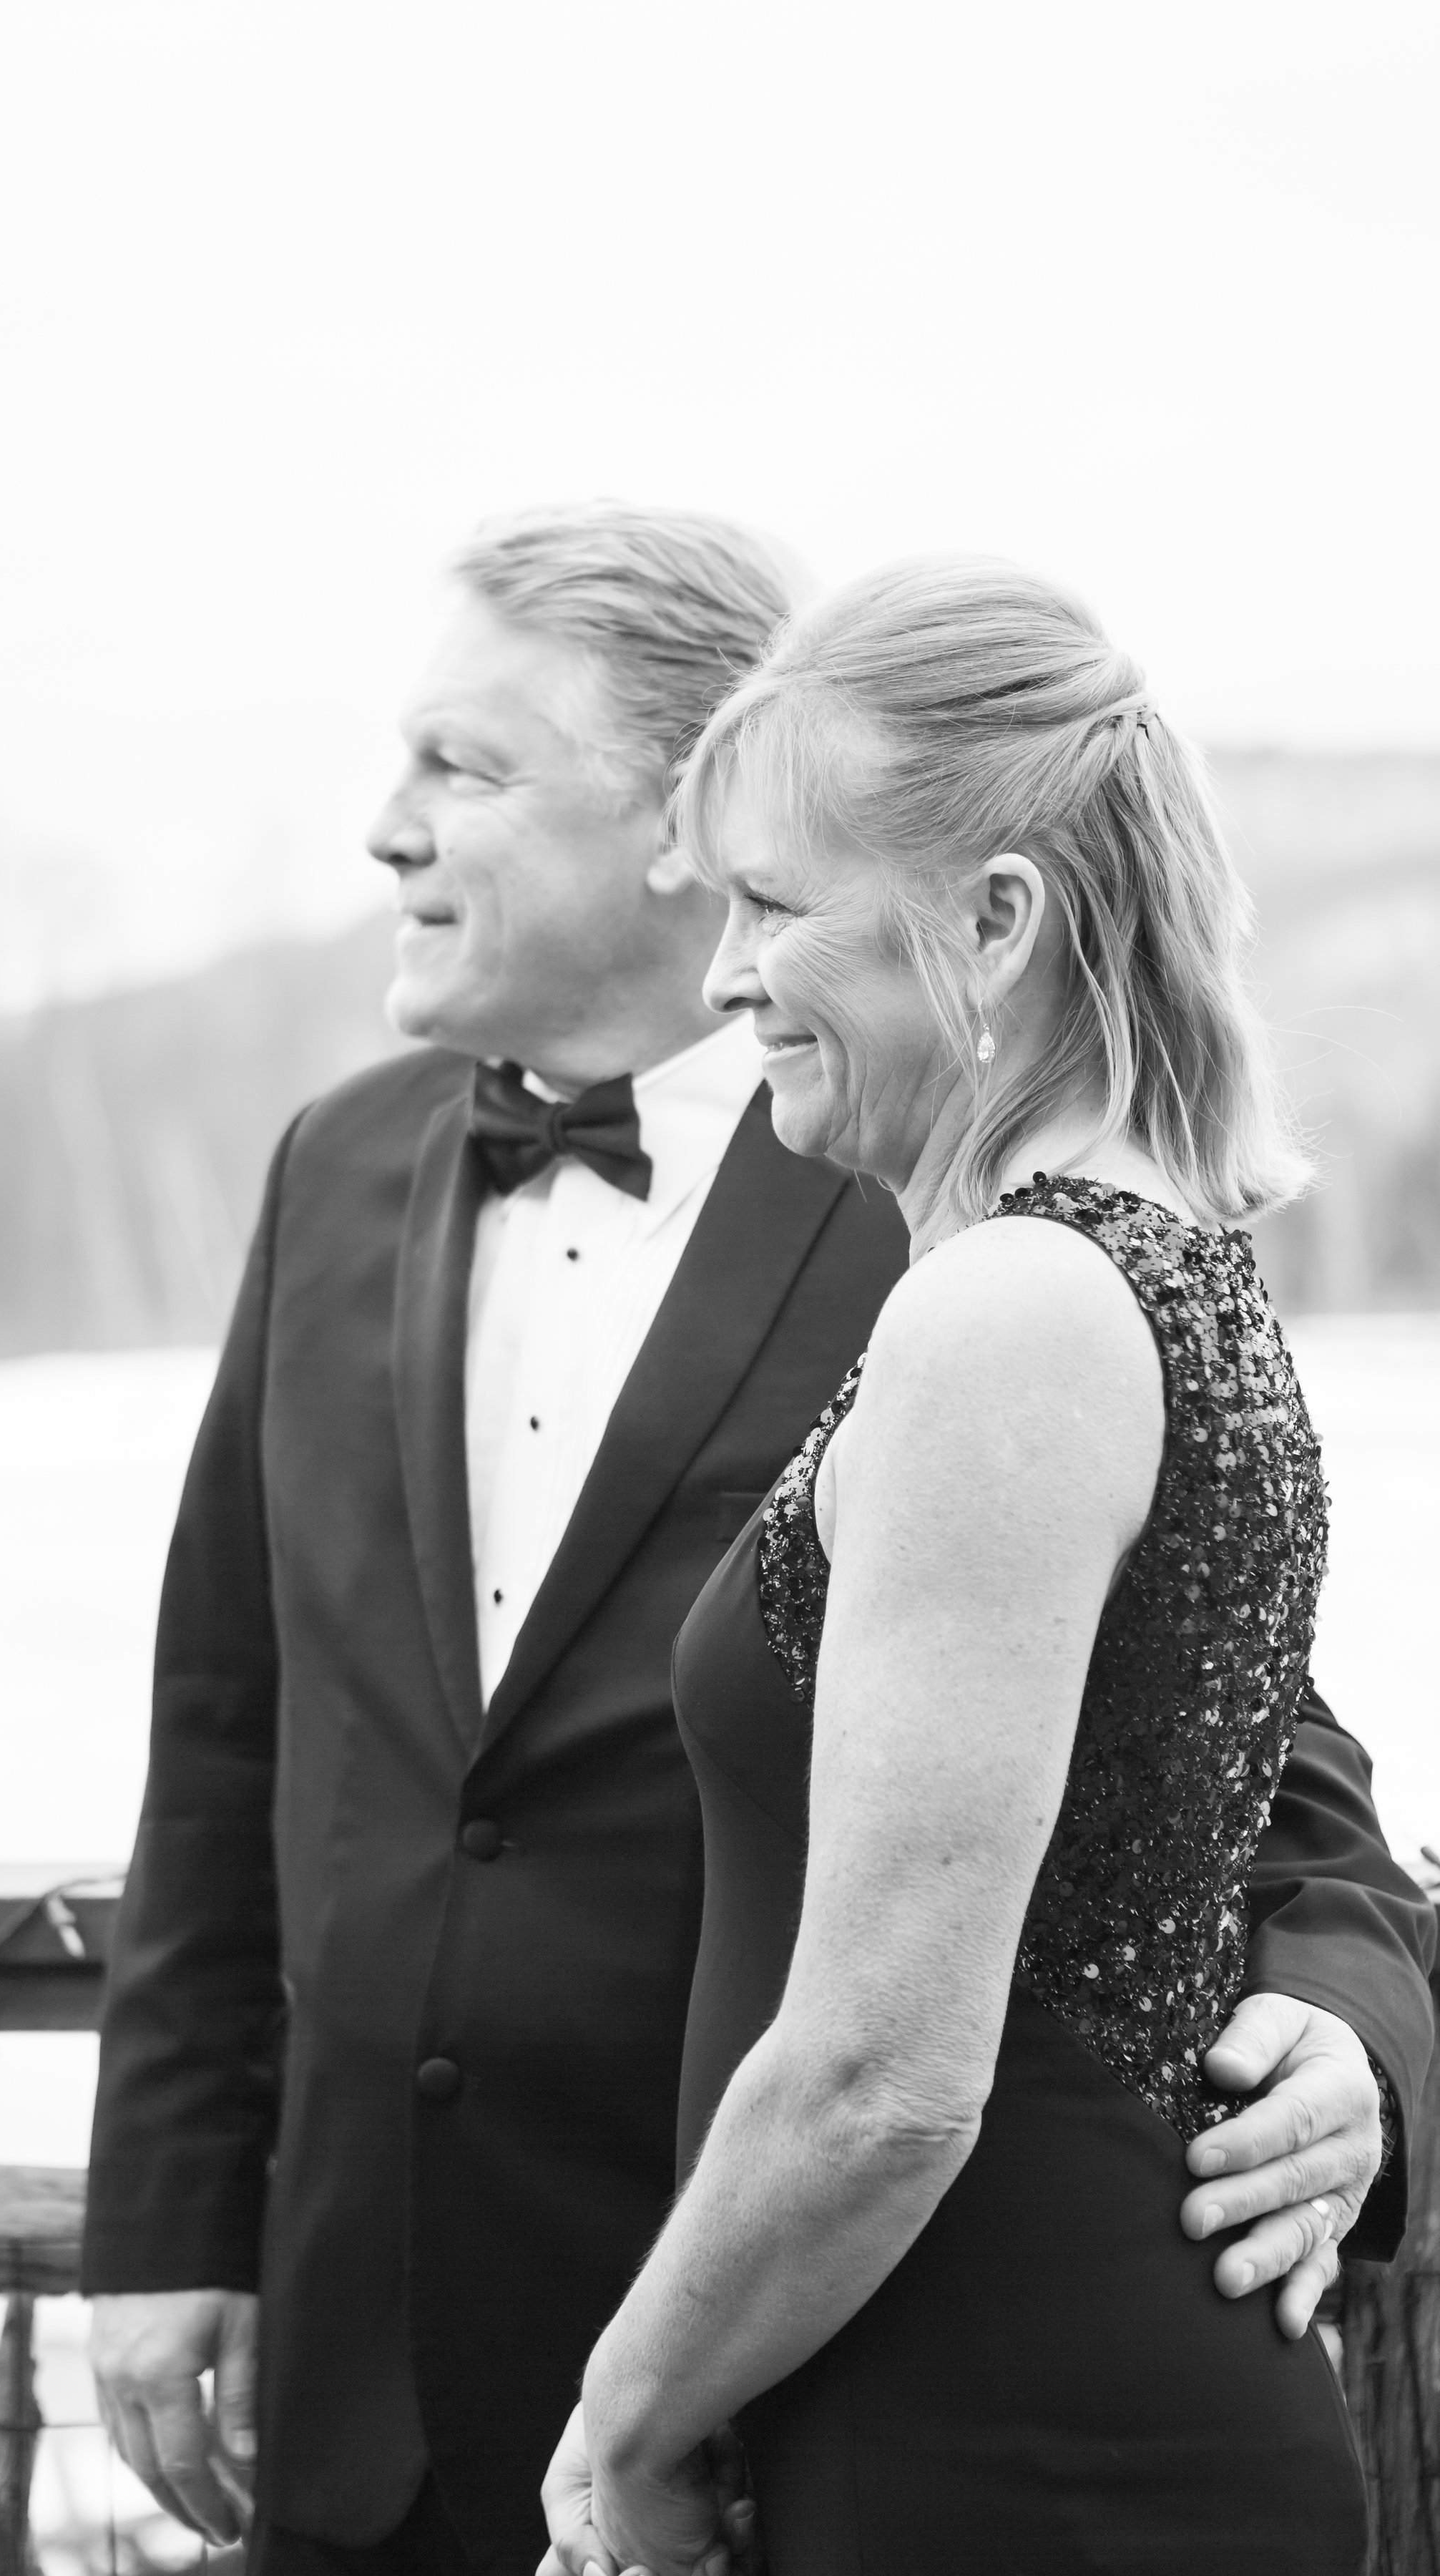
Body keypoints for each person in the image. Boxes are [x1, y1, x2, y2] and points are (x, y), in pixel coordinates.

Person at [82, 508, 1435, 2576]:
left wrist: (1361, 2039)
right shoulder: (337, 1170)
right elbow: (225, 1726)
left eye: (466, 764)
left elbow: (1235, 1745)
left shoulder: (967, 1253)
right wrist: (168, 2220)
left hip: (802, 2347)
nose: (388, 825)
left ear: (671, 816)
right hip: (394, 2371)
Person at [541, 555, 1430, 2576]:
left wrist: (630, 2418)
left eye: (772, 906)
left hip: (1015, 2451)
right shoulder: (1149, 1268)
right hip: (1032, 2416)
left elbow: (883, 2080)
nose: (722, 976)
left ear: (995, 922)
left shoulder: (1012, 1313)